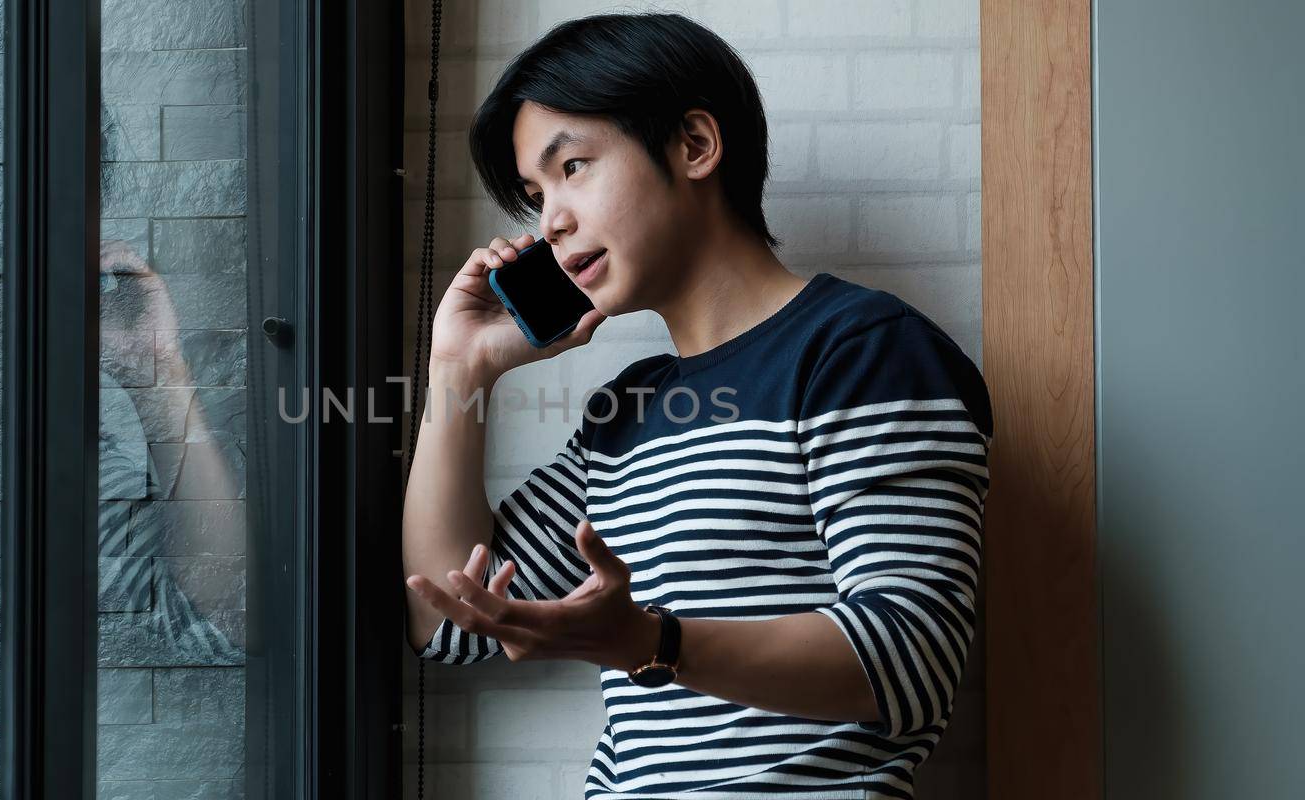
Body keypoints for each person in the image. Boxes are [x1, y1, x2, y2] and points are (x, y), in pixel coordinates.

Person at [401, 13, 994, 799]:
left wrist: (652, 642)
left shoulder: (864, 353)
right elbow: (446, 621)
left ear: (694, 146)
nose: (551, 221)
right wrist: (460, 369)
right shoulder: (629, 411)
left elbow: (910, 660)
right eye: (537, 194)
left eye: (574, 166)